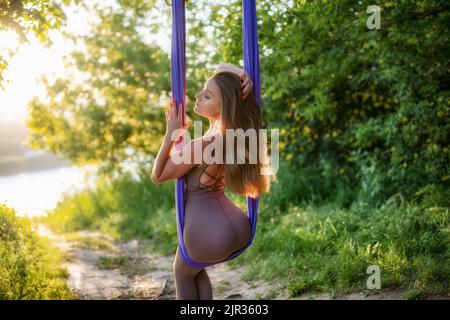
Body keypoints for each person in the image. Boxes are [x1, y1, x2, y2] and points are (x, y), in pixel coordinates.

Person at [151, 63, 275, 299]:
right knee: (196, 269)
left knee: (183, 272)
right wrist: (242, 76)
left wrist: (170, 136)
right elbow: (220, 67)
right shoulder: (231, 137)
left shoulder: (202, 146)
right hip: (238, 227)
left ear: (223, 107)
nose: (198, 96)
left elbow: (158, 175)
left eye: (207, 96)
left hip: (209, 233)